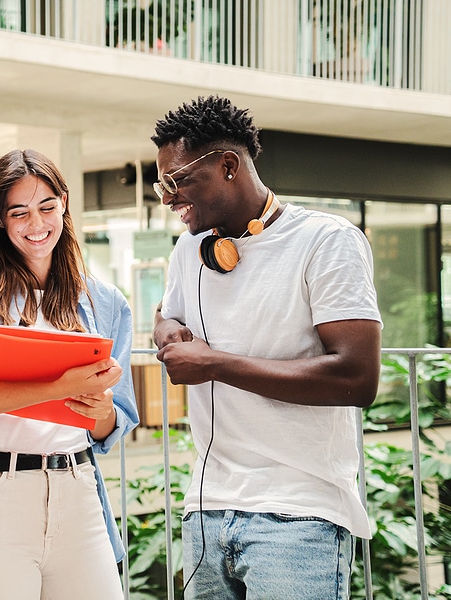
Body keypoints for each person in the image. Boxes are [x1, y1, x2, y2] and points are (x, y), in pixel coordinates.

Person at [151, 95, 382, 599]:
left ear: (228, 165)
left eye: (178, 180)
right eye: (161, 184)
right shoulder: (189, 249)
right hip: (208, 509)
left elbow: (357, 378)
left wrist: (215, 364)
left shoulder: (327, 242)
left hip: (300, 513)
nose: (167, 198)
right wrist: (165, 328)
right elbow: (168, 312)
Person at [0, 149, 139, 599]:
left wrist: (97, 406)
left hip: (78, 489)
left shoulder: (105, 301)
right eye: (18, 212)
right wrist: (60, 387)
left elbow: (112, 424)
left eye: (46, 208)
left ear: (64, 203)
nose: (35, 224)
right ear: (0, 219)